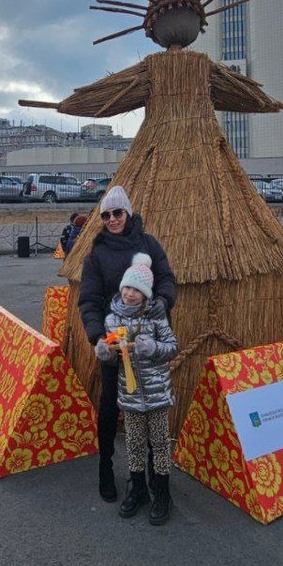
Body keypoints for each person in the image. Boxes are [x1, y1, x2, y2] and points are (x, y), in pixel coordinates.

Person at [79, 185, 176, 503]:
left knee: (153, 408)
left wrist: (163, 300)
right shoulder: (97, 252)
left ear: (128, 213)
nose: (111, 219)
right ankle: (106, 469)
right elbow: (89, 300)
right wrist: (98, 338)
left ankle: (155, 483)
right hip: (114, 342)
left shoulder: (148, 243)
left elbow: (166, 278)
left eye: (117, 213)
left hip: (148, 342)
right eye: (105, 215)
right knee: (110, 406)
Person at [94, 254, 178, 525]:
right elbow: (111, 357)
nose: (130, 294)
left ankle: (162, 493)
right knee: (133, 443)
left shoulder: (156, 317)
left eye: (136, 290)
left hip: (156, 393)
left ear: (145, 295)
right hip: (129, 394)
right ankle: (138, 488)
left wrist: (152, 349)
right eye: (127, 288)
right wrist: (103, 351)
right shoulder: (111, 320)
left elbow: (172, 348)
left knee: (160, 444)